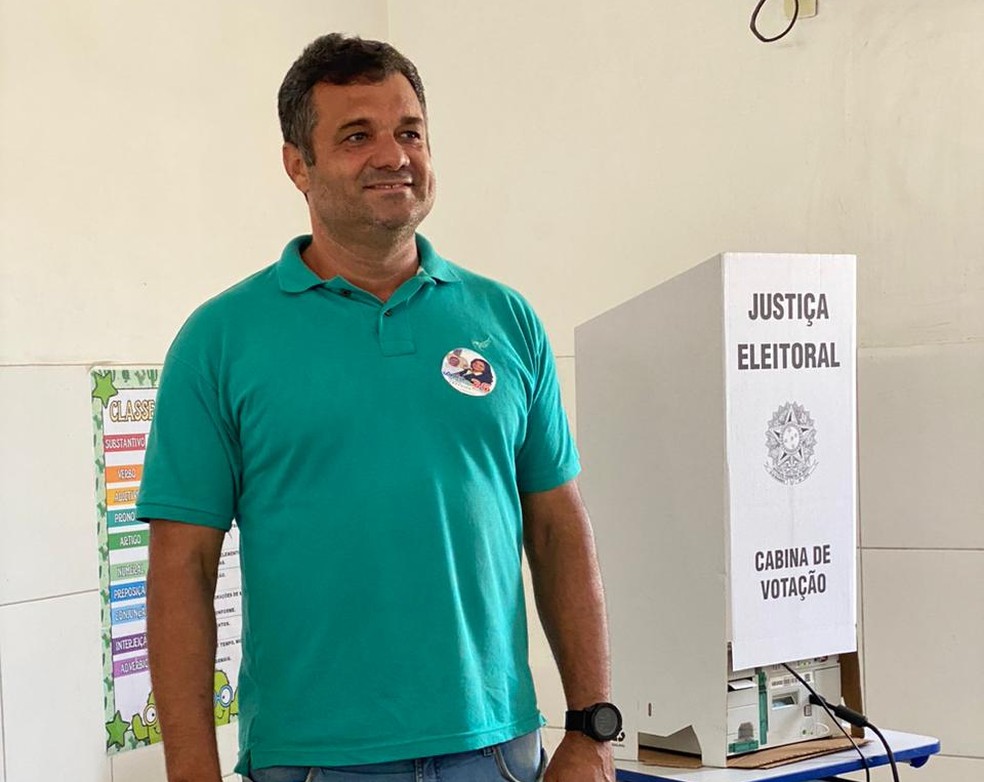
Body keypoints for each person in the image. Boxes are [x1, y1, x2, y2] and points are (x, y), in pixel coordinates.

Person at [138, 33, 617, 782]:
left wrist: (592, 728)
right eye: (357, 136)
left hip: (496, 754)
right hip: (314, 763)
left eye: (410, 132)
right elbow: (180, 567)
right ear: (298, 164)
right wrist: (190, 769)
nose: (393, 156)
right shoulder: (221, 341)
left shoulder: (507, 319)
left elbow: (558, 527)